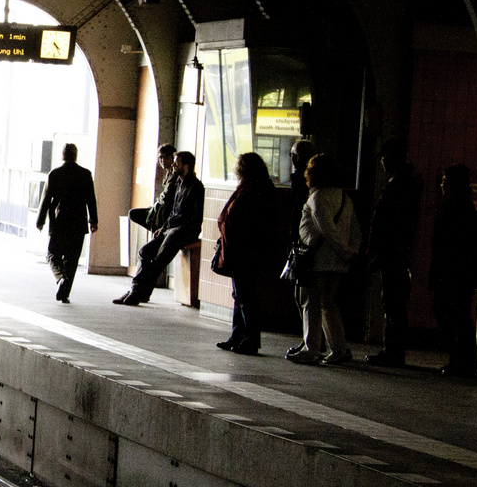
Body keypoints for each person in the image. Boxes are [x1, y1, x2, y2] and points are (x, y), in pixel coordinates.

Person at [286, 153, 359, 365]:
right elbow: (355, 229)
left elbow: (326, 226)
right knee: (329, 303)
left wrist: (342, 250)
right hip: (337, 262)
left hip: (317, 259)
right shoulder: (345, 197)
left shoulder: (317, 197)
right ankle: (339, 348)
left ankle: (311, 349)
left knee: (311, 303)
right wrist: (350, 251)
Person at [115, 150, 203, 305]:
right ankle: (137, 291)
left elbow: (196, 218)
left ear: (187, 165)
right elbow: (173, 212)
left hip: (184, 231)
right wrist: (163, 228)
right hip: (172, 229)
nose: (174, 165)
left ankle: (136, 293)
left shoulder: (196, 187)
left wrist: (174, 228)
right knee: (145, 252)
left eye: (177, 162)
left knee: (158, 260)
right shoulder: (179, 184)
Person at [214, 152, 278, 353]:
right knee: (239, 294)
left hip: (247, 251)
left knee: (245, 296)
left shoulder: (255, 190)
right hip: (240, 250)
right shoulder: (250, 187)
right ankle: (237, 336)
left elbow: (250, 222)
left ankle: (250, 339)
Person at [366, 139, 422, 366]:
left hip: (393, 254)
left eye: (384, 158)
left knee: (392, 302)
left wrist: (380, 252)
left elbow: (392, 225)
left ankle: (393, 351)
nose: (382, 162)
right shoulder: (404, 184)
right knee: (393, 302)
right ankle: (393, 350)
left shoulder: (399, 186)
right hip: (395, 253)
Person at [431, 164, 477, 377]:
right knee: (460, 316)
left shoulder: (454, 205)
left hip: (452, 272)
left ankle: (461, 360)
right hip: (461, 272)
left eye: (444, 180)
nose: (442, 184)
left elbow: (447, 242)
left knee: (451, 315)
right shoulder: (465, 204)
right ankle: (463, 361)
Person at [36, 142, 98, 303]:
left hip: (60, 221)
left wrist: (40, 221)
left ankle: (60, 278)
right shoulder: (85, 174)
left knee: (52, 254)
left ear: (62, 155)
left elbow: (46, 199)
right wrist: (94, 220)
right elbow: (91, 199)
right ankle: (65, 292)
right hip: (79, 222)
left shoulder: (55, 174)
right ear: (75, 156)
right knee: (72, 258)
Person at [129, 145, 178, 232]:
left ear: (173, 158)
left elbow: (166, 196)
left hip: (169, 211)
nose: (163, 161)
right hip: (162, 208)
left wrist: (160, 201)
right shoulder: (168, 173)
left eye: (166, 157)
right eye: (160, 158)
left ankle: (158, 231)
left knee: (135, 214)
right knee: (133, 213)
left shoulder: (175, 174)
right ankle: (156, 230)